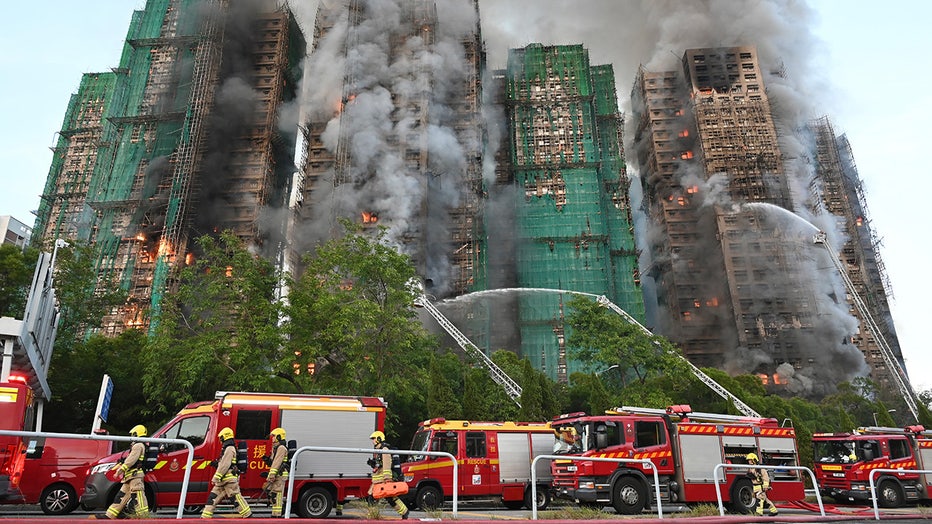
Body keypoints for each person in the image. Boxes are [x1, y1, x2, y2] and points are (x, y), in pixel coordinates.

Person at [201, 427, 252, 519]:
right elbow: (224, 463)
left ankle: (248, 516)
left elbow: (225, 465)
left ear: (224, 437)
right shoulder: (227, 448)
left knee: (236, 499)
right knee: (212, 499)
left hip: (229, 480)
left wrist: (216, 477)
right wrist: (217, 464)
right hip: (223, 481)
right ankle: (204, 518)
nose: (220, 440)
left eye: (221, 438)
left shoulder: (229, 448)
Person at [103, 425, 150, 520]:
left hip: (135, 476)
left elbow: (130, 461)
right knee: (121, 497)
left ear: (136, 434)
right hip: (129, 477)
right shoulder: (138, 445)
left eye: (132, 434)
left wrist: (119, 471)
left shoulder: (138, 446)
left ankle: (143, 517)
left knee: (138, 495)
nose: (131, 437)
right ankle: (109, 515)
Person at [368, 430, 409, 520]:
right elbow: (380, 465)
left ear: (379, 439)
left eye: (374, 439)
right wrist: (373, 464)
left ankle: (404, 512)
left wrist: (387, 478)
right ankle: (404, 512)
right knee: (381, 498)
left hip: (382, 479)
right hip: (378, 479)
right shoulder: (379, 450)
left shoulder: (384, 450)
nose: (373, 441)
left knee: (378, 497)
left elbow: (387, 464)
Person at [264, 427, 290, 518]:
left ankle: (277, 515)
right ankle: (277, 512)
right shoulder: (276, 447)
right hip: (277, 474)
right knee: (271, 493)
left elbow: (277, 462)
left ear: (279, 437)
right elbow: (273, 462)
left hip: (280, 474)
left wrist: (271, 475)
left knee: (277, 494)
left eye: (274, 436)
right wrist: (267, 460)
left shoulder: (281, 448)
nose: (272, 438)